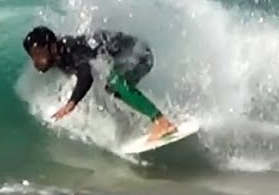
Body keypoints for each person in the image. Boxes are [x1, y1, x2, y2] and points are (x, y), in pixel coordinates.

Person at [22, 25, 178, 142]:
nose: (36, 60)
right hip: (129, 58)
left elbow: (86, 74)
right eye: (33, 55)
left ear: (52, 46)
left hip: (141, 54)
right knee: (109, 89)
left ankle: (161, 121)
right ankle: (134, 125)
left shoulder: (72, 49)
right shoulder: (59, 58)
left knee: (114, 82)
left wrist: (72, 103)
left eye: (38, 53)